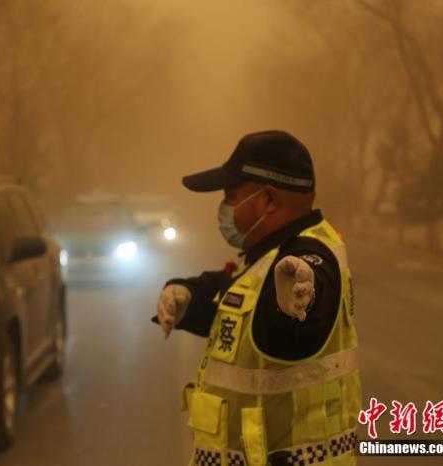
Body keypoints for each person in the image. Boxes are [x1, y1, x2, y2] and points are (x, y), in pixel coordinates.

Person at [155, 130, 361, 466]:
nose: (224, 208)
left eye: (231, 197)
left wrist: (294, 307)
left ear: (267, 200)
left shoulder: (307, 259)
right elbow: (240, 298)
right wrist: (189, 294)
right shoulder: (271, 255)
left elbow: (297, 318)